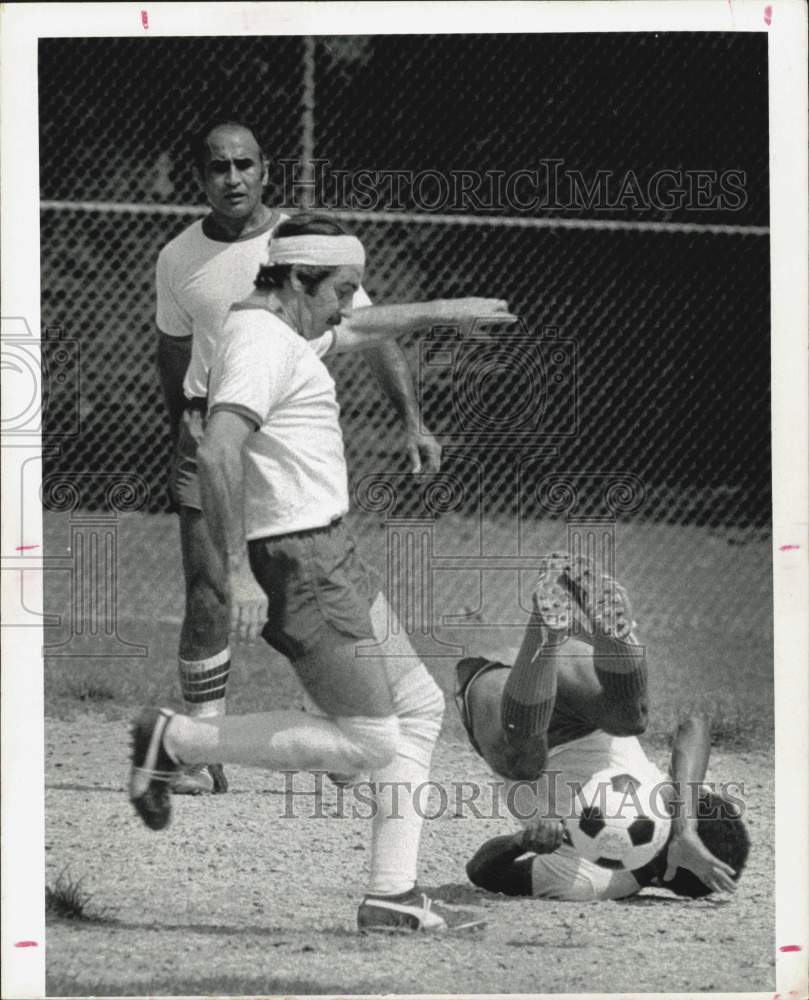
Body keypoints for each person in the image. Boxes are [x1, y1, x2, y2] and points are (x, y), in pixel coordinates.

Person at [131, 215, 513, 932]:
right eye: (341, 288)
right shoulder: (258, 344)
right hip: (301, 560)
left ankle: (390, 896)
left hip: (329, 551)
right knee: (370, 739)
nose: (349, 303)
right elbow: (216, 453)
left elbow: (361, 331)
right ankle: (174, 740)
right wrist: (238, 573)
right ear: (300, 281)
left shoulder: (277, 324)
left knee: (419, 708)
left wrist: (442, 311)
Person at [156, 117, 505, 794]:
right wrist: (185, 428)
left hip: (284, 447)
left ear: (264, 170)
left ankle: (338, 732)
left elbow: (358, 328)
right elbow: (176, 357)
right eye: (218, 166)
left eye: (245, 164)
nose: (233, 178)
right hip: (217, 435)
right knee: (221, 593)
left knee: (306, 592)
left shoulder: (304, 251)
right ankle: (198, 746)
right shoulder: (185, 262)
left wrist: (416, 403)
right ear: (200, 177)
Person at [455, 554, 750, 901]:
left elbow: (481, 871)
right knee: (630, 720)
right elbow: (695, 724)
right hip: (563, 695)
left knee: (526, 764)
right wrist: (685, 827)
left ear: (668, 870)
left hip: (510, 706)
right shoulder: (666, 807)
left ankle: (545, 629)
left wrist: (521, 842)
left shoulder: (592, 881)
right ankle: (599, 631)